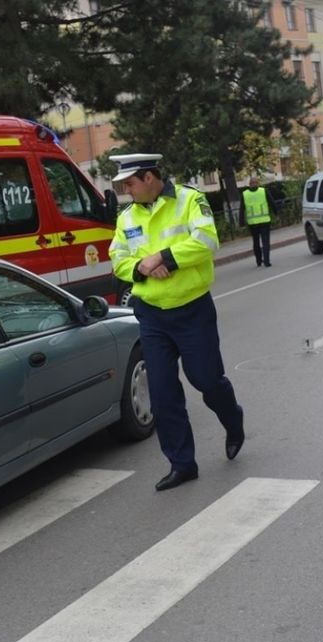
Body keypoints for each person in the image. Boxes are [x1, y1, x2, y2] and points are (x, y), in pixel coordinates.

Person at [108, 153, 245, 491]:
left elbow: (206, 240)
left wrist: (164, 257)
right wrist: (142, 266)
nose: (126, 190)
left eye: (130, 183)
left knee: (207, 381)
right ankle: (182, 464)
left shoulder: (189, 199)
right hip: (152, 313)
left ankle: (233, 420)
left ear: (150, 178)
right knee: (163, 392)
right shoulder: (126, 218)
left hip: (192, 308)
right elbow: (118, 259)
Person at [239, 176, 277, 267]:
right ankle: (267, 261)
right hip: (265, 221)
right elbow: (272, 203)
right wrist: (276, 213)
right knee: (265, 242)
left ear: (249, 184)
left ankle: (259, 261)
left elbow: (241, 209)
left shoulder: (245, 194)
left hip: (253, 223)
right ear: (258, 183)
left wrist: (241, 223)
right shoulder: (263, 191)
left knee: (256, 242)